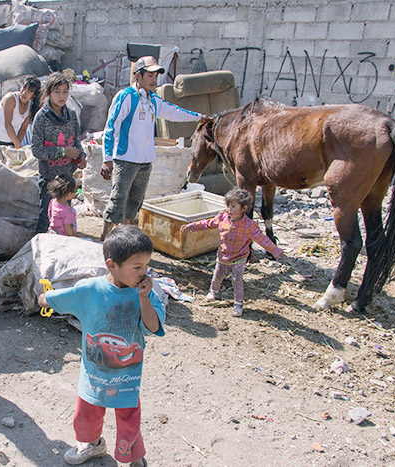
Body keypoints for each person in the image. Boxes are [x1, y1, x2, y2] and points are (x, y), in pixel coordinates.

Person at [38, 225, 164, 466]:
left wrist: (143, 299)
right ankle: (93, 445)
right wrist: (45, 298)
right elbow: (63, 297)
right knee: (86, 414)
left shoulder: (145, 293)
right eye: (137, 267)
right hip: (94, 375)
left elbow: (153, 326)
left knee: (129, 419)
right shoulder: (91, 290)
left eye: (146, 265)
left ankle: (135, 456)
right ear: (111, 265)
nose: (144, 273)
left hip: (127, 377)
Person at [100, 56, 203, 240]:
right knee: (117, 201)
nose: (154, 79)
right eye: (150, 75)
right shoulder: (126, 96)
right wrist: (107, 159)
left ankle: (124, 240)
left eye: (156, 76)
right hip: (125, 159)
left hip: (145, 161)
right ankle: (104, 240)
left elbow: (174, 112)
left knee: (134, 204)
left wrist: (200, 117)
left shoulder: (153, 100)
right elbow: (111, 127)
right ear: (138, 76)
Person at [180, 187, 284, 317]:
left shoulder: (249, 225)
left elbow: (262, 239)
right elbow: (207, 223)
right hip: (223, 255)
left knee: (237, 280)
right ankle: (213, 291)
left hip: (239, 257)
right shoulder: (222, 217)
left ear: (244, 208)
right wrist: (192, 226)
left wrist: (275, 251)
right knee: (218, 275)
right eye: (228, 206)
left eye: (233, 206)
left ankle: (238, 303)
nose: (229, 209)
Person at [31, 72, 87, 233]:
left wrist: (81, 156)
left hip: (67, 178)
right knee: (47, 219)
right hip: (50, 180)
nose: (62, 96)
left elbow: (75, 141)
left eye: (65, 91)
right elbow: (37, 150)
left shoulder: (72, 115)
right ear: (48, 93)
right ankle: (40, 246)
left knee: (66, 220)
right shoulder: (42, 117)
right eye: (57, 92)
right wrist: (63, 152)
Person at [0, 76, 41, 148]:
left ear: (34, 95)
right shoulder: (11, 98)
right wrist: (18, 146)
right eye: (24, 88)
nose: (24, 93)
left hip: (11, 141)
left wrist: (16, 145)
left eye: (29, 91)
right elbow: (8, 124)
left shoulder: (31, 106)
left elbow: (23, 129)